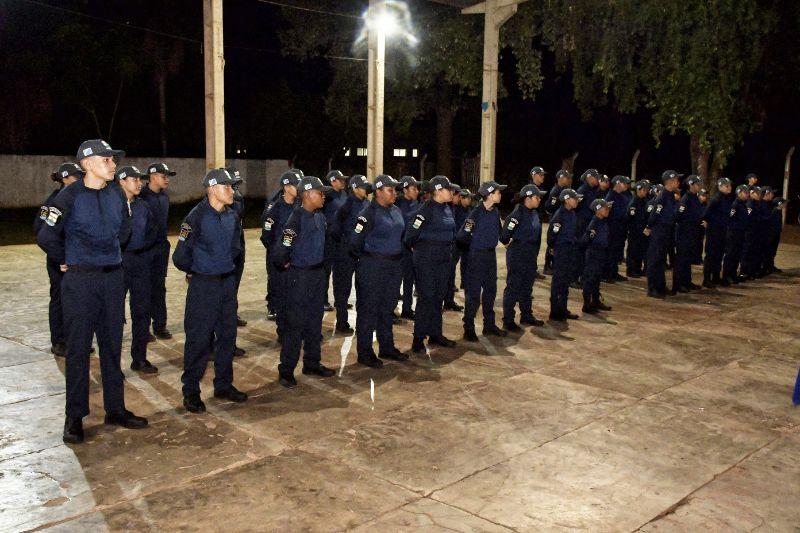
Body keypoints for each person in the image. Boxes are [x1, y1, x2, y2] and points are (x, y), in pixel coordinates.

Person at [37, 139, 148, 444]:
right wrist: (67, 258)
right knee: (78, 350)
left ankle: (116, 409)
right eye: (107, 160)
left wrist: (109, 252)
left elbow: (124, 230)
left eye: (113, 160)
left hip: (112, 279)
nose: (113, 164)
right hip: (81, 282)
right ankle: (74, 417)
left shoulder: (115, 193)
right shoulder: (67, 197)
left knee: (112, 347)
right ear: (87, 163)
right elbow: (46, 235)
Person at [172, 169, 248, 413]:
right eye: (227, 187)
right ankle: (191, 392)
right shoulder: (195, 218)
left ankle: (224, 384)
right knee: (199, 340)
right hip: (204, 286)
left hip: (226, 283)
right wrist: (198, 269)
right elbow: (180, 256)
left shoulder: (232, 216)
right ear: (212, 188)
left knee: (227, 337)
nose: (232, 191)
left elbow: (236, 249)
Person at [272, 176, 337, 388]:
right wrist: (290, 266)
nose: (324, 196)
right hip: (299, 277)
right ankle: (286, 370)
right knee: (295, 323)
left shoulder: (319, 217)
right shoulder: (295, 220)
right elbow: (281, 252)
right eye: (320, 192)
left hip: (317, 276)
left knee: (314, 321)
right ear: (308, 194)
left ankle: (312, 363)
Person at [349, 174, 409, 367]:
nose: (394, 193)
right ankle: (364, 352)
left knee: (387, 308)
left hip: (393, 266)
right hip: (373, 266)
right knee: (369, 309)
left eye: (395, 190)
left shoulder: (397, 210)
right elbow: (354, 243)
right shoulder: (368, 213)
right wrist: (369, 258)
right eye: (390, 190)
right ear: (378, 192)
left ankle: (387, 347)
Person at [403, 175, 459, 353]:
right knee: (426, 297)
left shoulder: (447, 208)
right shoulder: (425, 210)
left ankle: (436, 334)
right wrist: (419, 250)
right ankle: (418, 339)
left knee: (438, 297)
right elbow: (410, 235)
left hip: (443, 258)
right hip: (427, 259)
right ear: (438, 191)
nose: (451, 192)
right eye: (448, 189)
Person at [35, 162, 84, 357]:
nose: (80, 179)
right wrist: (61, 258)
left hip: (77, 260)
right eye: (76, 176)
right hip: (60, 261)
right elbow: (41, 232)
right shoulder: (54, 201)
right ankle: (59, 341)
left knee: (78, 301)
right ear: (65, 178)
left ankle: (75, 339)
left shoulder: (77, 199)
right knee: (59, 299)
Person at [117, 166, 159, 373]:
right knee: (114, 315)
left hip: (140, 262)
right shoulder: (111, 206)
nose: (139, 183)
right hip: (117, 263)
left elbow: (153, 232)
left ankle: (139, 358)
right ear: (122, 181)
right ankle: (112, 365)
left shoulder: (143, 206)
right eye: (134, 179)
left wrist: (144, 252)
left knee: (142, 311)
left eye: (140, 179)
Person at [457, 180, 508, 341]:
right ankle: (469, 328)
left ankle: (489, 325)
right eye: (498, 192)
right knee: (473, 294)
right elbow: (461, 236)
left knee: (490, 291)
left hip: (490, 256)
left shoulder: (494, 212)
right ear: (490, 195)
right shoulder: (475, 213)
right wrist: (473, 247)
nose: (500, 195)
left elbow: (500, 233)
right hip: (476, 257)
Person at [259, 170, 301, 343]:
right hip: (279, 260)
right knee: (281, 295)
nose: (298, 188)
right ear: (286, 187)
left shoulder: (299, 205)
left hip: (297, 259)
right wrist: (278, 255)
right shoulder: (274, 208)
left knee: (297, 296)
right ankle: (283, 331)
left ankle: (297, 329)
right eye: (295, 185)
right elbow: (266, 236)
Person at [500, 184, 546, 331]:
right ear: (528, 198)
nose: (539, 200)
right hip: (518, 254)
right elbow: (504, 236)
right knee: (514, 287)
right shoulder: (516, 215)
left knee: (527, 286)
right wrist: (509, 244)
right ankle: (508, 320)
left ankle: (526, 315)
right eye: (537, 197)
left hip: (530, 254)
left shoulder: (534, 213)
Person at [331, 174, 372, 333]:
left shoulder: (367, 203)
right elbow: (335, 229)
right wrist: (344, 243)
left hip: (363, 251)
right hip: (346, 252)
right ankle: (342, 322)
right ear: (354, 188)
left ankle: (364, 322)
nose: (366, 191)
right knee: (343, 288)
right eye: (363, 188)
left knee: (363, 287)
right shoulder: (346, 205)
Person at [139, 162, 174, 340]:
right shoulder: (141, 197)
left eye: (167, 176)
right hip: (145, 250)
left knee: (159, 288)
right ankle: (143, 329)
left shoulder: (165, 197)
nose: (167, 179)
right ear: (152, 176)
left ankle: (160, 325)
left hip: (161, 248)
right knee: (143, 289)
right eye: (163, 176)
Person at [644, 170, 681, 298]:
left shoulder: (670, 195)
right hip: (659, 230)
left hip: (667, 230)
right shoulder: (663, 196)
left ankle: (660, 286)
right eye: (676, 179)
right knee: (654, 259)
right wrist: (649, 226)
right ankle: (652, 288)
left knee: (661, 260)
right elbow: (655, 214)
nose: (678, 182)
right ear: (670, 181)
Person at [547, 188, 582, 321]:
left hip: (569, 250)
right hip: (561, 250)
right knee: (558, 281)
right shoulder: (559, 215)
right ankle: (555, 311)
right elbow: (552, 235)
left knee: (565, 281)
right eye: (575, 198)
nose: (577, 201)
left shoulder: (572, 213)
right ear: (567, 199)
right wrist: (553, 247)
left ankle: (563, 308)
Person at [322, 170, 349, 311]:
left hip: (341, 237)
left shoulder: (344, 194)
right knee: (326, 270)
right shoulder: (327, 195)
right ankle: (323, 300)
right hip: (329, 238)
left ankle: (340, 300)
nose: (343, 181)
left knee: (340, 270)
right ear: (332, 181)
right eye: (340, 179)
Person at [395, 175, 421, 319]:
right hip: (399, 247)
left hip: (412, 247)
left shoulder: (417, 203)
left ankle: (407, 309)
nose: (416, 191)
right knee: (396, 279)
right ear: (405, 189)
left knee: (409, 279)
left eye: (417, 188)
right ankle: (391, 310)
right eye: (413, 188)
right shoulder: (397, 204)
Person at [673, 175, 704, 292]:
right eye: (697, 184)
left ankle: (686, 281)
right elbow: (678, 215)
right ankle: (679, 284)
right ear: (691, 184)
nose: (699, 186)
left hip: (692, 233)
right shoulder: (686, 199)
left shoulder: (694, 198)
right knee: (681, 259)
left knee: (687, 259)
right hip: (684, 233)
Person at [581, 199, 613, 313]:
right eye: (605, 208)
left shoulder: (603, 221)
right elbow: (585, 240)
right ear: (598, 210)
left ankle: (595, 301)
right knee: (590, 278)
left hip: (601, 253)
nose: (608, 210)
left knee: (597, 278)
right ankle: (586, 304)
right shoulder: (594, 223)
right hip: (594, 253)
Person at [701, 177, 733, 287]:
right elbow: (706, 213)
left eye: (729, 185)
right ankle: (706, 279)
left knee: (719, 255)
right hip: (714, 232)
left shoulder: (726, 199)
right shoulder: (716, 199)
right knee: (711, 255)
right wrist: (709, 224)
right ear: (720, 186)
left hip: (722, 231)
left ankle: (715, 277)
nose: (729, 188)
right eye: (726, 186)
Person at [574, 169, 601, 286]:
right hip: (581, 225)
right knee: (578, 252)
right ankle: (573, 278)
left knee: (584, 253)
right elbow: (577, 209)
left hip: (588, 225)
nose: (598, 179)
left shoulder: (594, 190)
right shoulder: (582, 191)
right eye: (596, 177)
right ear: (589, 178)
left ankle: (581, 276)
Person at [543, 169, 573, 275]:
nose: (569, 179)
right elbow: (549, 206)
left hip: (563, 218)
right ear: (560, 178)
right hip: (557, 219)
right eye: (567, 177)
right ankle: (547, 266)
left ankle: (554, 264)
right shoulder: (555, 191)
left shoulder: (565, 189)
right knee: (553, 242)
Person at [444, 185, 468, 312]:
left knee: (451, 275)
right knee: (444, 276)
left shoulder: (452, 208)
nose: (459, 198)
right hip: (444, 248)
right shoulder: (443, 207)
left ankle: (449, 301)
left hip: (452, 246)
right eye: (458, 195)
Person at [721, 185, 751, 285]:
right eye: (745, 192)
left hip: (741, 233)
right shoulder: (735, 204)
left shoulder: (743, 204)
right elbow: (729, 219)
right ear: (739, 193)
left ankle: (733, 275)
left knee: (737, 255)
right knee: (730, 255)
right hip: (733, 234)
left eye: (748, 193)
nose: (747, 194)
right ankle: (726, 276)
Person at [604, 176, 630, 282]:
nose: (626, 185)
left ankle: (613, 272)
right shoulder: (610, 197)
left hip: (619, 228)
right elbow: (609, 214)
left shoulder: (621, 196)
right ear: (618, 184)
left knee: (615, 252)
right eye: (624, 183)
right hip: (612, 228)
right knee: (610, 252)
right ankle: (607, 274)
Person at [625, 180, 650, 278]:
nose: (645, 192)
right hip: (635, 231)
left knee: (640, 250)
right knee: (633, 250)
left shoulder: (644, 200)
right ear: (638, 190)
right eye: (644, 190)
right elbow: (630, 217)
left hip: (641, 231)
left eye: (646, 190)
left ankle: (637, 268)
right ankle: (631, 270)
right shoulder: (634, 202)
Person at [740, 186, 767, 280]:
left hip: (755, 231)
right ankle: (744, 272)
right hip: (749, 232)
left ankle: (751, 271)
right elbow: (748, 218)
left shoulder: (756, 203)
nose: (759, 195)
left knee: (753, 252)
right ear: (751, 193)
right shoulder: (750, 204)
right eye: (757, 193)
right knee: (747, 251)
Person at [763, 197, 786, 275]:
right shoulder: (774, 212)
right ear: (779, 204)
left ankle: (770, 266)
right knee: (769, 251)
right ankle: (767, 267)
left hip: (775, 234)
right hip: (771, 235)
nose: (785, 204)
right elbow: (771, 224)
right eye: (783, 203)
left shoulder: (778, 211)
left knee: (773, 251)